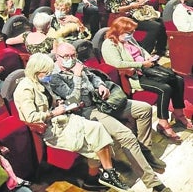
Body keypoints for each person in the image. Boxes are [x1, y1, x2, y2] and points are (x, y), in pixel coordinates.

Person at [50, 43, 170, 191]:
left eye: (73, 55)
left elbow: (94, 77)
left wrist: (101, 85)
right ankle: (153, 183)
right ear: (57, 57)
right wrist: (77, 76)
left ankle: (144, 153)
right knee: (127, 136)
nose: (71, 59)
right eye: (67, 56)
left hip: (104, 102)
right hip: (88, 111)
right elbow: (72, 101)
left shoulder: (76, 63)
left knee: (144, 109)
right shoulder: (54, 78)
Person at [13, 53, 130, 191]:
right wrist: (53, 112)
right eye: (47, 72)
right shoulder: (25, 89)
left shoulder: (42, 81)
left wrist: (59, 103)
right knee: (96, 144)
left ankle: (106, 174)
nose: (50, 74)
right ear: (37, 71)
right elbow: (30, 117)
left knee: (97, 128)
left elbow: (51, 100)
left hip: (64, 118)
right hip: (51, 129)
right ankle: (97, 177)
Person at [101, 17, 192, 144]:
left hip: (146, 68)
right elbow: (117, 63)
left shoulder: (128, 38)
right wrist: (142, 64)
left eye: (132, 32)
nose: (131, 35)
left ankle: (178, 114)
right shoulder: (109, 44)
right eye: (129, 33)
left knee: (178, 79)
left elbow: (141, 50)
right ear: (118, 30)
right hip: (133, 75)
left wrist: (149, 57)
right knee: (165, 88)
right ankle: (163, 123)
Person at [103, 0, 168, 56]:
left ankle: (160, 50)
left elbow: (132, 0)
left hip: (136, 12)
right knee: (155, 26)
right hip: (124, 17)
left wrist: (140, 1)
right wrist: (131, 6)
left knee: (162, 21)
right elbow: (114, 9)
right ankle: (145, 52)